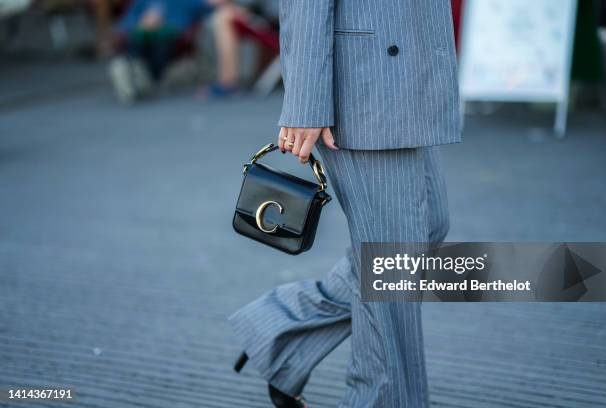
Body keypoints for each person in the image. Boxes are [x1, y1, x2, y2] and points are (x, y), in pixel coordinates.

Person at [229, 0, 462, 407]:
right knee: (391, 266)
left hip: (411, 71)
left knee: (425, 232)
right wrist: (305, 102)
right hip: (367, 81)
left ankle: (282, 331)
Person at [108, 0, 216, 103]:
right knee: (136, 41)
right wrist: (141, 23)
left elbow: (206, 6)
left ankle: (138, 73)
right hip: (143, 35)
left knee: (160, 47)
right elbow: (128, 20)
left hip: (171, 36)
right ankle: (135, 70)